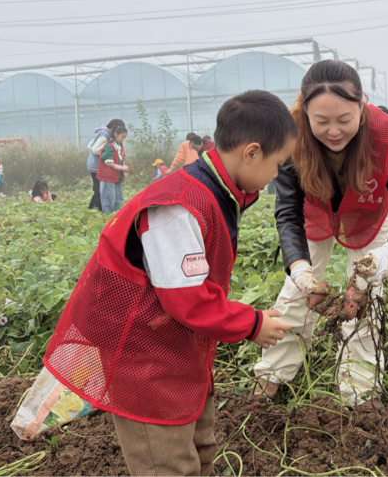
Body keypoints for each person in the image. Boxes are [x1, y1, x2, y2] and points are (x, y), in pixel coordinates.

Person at [42, 90, 296, 477]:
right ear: (252, 152)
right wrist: (253, 324)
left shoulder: (216, 191)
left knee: (201, 447)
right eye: (278, 163)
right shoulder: (178, 206)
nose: (278, 174)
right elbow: (187, 301)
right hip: (141, 353)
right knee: (167, 463)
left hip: (174, 346)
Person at [253, 60, 388, 407]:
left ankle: (359, 392)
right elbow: (287, 211)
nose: (334, 131)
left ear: (362, 106)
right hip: (315, 214)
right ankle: (271, 378)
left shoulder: (386, 134)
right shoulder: (291, 137)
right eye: (321, 121)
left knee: (363, 294)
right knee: (296, 295)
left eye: (344, 120)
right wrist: (299, 269)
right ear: (305, 111)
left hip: (368, 213)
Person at [87, 119, 125, 210]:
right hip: (97, 166)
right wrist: (108, 151)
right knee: (100, 190)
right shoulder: (105, 133)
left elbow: (90, 145)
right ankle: (95, 209)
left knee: (98, 190)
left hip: (94, 165)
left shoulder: (102, 131)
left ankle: (93, 209)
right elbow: (95, 149)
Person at [98, 125, 131, 214]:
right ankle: (108, 218)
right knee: (109, 200)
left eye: (124, 137)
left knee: (118, 199)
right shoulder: (108, 146)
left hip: (116, 177)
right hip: (107, 177)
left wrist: (125, 167)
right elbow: (108, 163)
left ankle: (117, 217)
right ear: (115, 134)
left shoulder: (119, 147)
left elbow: (120, 161)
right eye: (122, 137)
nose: (123, 139)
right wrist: (122, 168)